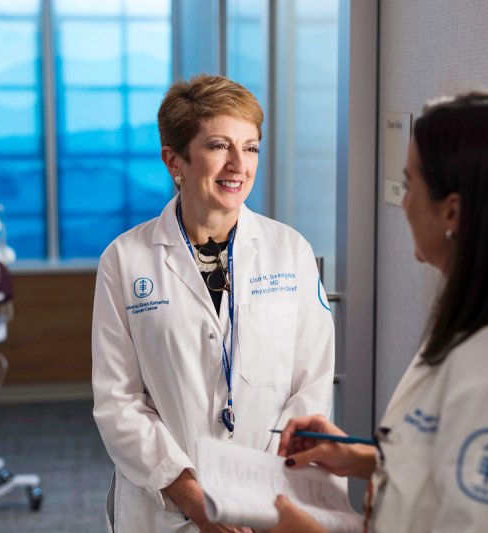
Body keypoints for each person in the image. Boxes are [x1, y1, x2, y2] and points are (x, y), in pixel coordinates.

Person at [270, 92, 488, 532]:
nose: (404, 201)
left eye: (409, 184)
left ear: (453, 211)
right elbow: (459, 466)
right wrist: (364, 459)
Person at [91, 74, 335, 532]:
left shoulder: (290, 252)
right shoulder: (125, 260)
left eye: (251, 147)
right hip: (166, 507)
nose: (238, 165)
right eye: (219, 145)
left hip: (270, 503)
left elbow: (312, 385)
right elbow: (117, 402)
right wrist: (194, 498)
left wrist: (256, 489)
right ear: (174, 160)